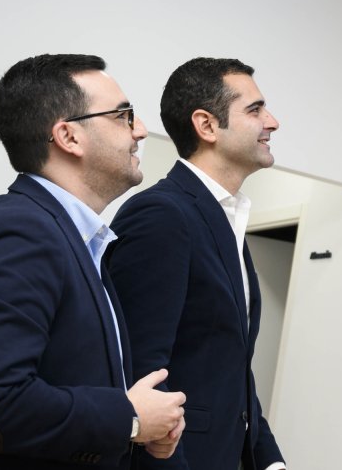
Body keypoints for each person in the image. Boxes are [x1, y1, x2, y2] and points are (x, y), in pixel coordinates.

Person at [0, 54, 187, 469]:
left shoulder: (74, 241)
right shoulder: (18, 233)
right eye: (123, 116)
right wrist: (127, 419)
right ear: (68, 136)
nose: (142, 130)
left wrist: (141, 429)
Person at [108, 57, 285, 470]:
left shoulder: (226, 220)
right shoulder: (162, 214)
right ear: (206, 126)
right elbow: (139, 368)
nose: (272, 122)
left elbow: (231, 368)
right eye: (255, 110)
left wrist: (270, 461)